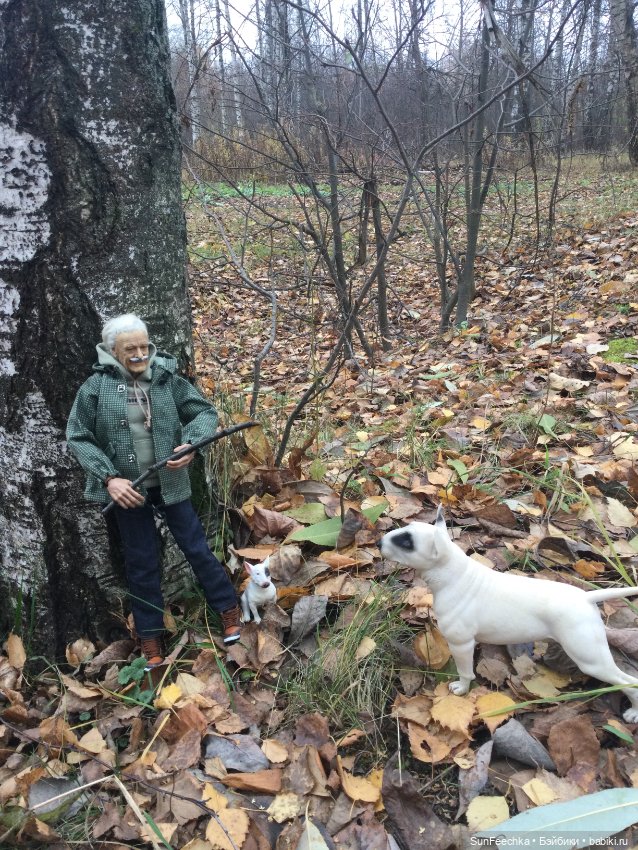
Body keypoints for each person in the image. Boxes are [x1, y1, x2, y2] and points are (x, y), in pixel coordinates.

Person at [66, 313, 241, 668]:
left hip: (172, 482)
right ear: (112, 350)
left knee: (196, 547)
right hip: (130, 491)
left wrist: (191, 444)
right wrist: (109, 477)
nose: (139, 354)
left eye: (144, 346)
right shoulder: (95, 389)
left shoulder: (165, 379)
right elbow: (78, 435)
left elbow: (204, 413)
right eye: (130, 348)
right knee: (141, 561)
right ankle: (150, 635)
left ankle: (228, 608)